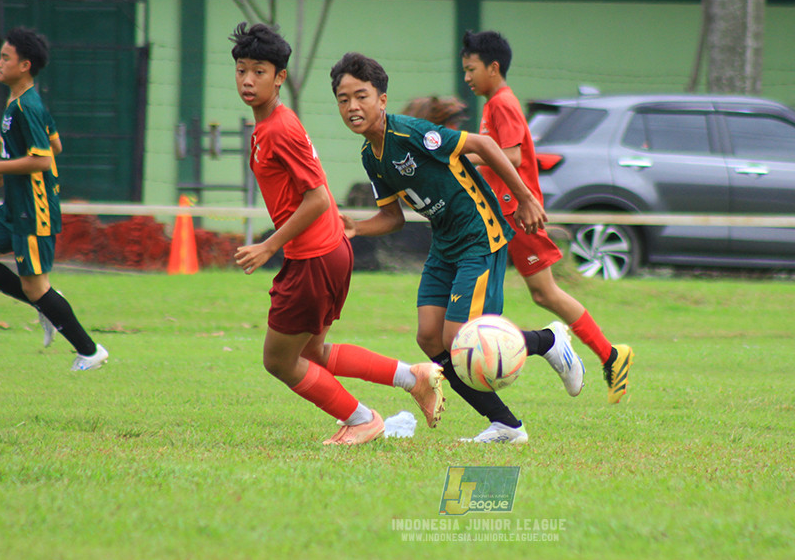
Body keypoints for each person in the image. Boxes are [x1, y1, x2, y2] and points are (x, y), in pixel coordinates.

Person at [331, 52, 585, 445]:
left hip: (479, 235)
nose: (352, 106)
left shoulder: (412, 134)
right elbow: (393, 217)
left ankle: (549, 341)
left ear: (381, 99)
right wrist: (356, 228)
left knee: (458, 338)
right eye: (343, 99)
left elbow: (483, 144)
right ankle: (507, 426)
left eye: (361, 96)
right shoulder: (371, 155)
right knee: (430, 339)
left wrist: (525, 199)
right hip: (445, 243)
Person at [230, 23, 445, 446]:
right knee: (312, 353)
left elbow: (316, 200)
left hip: (314, 256)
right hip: (325, 252)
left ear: (280, 77)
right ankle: (413, 376)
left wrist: (268, 246)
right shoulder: (274, 122)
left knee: (278, 360)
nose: (248, 80)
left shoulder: (279, 128)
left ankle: (362, 419)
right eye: (241, 70)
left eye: (259, 71)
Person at [460, 30, 634, 404]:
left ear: (493, 67)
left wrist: (460, 154)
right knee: (535, 292)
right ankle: (602, 354)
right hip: (502, 213)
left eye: (471, 69)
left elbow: (513, 157)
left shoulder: (502, 103)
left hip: (515, 214)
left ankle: (608, 354)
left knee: (545, 291)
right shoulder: (494, 104)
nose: (467, 78)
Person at [0, 27, 108, 370]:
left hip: (33, 211)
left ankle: (90, 351)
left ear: (25, 65)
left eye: (6, 57)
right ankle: (47, 304)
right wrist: (1, 169)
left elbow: (44, 159)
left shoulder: (27, 107)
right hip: (14, 208)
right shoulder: (18, 102)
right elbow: (56, 143)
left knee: (36, 288)